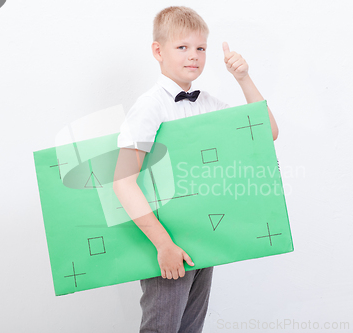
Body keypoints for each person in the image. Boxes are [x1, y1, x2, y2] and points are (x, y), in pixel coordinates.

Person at [113, 6, 278, 333]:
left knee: (190, 328)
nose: (194, 56)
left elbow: (267, 132)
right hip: (165, 245)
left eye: (200, 48)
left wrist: (243, 78)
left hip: (202, 240)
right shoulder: (150, 106)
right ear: (158, 51)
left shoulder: (208, 104)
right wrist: (163, 244)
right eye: (182, 47)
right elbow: (122, 182)